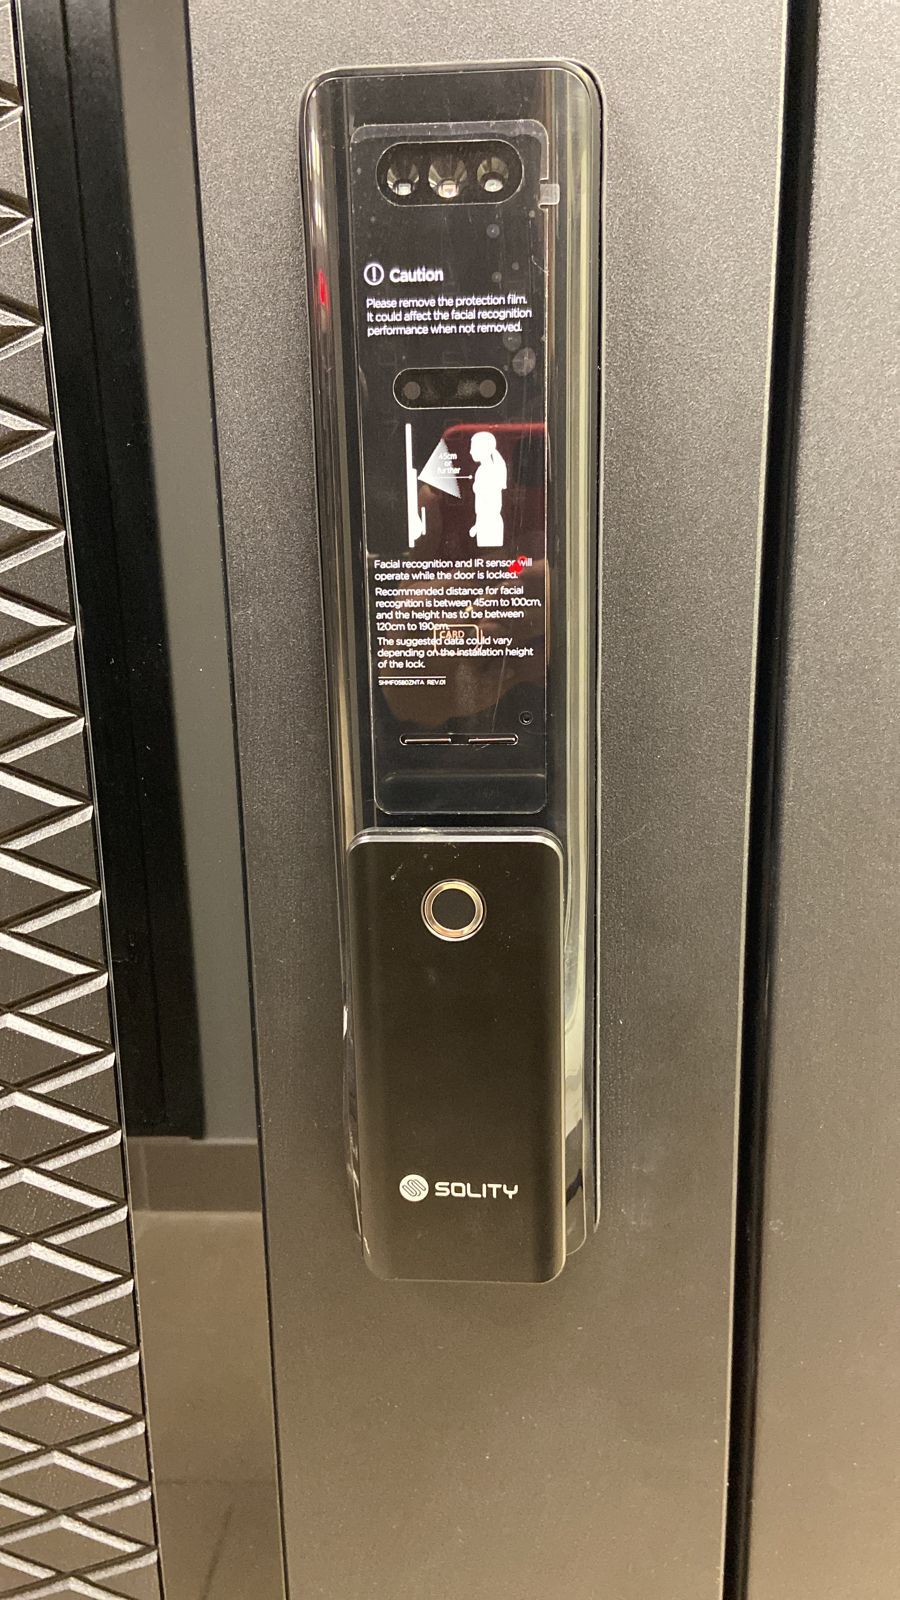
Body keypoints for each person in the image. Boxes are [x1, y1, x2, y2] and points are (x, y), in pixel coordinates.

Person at [469, 431, 506, 547]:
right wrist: (478, 524)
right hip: (484, 523)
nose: (470, 451)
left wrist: (479, 524)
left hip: (489, 524)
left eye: (473, 447)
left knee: (492, 555)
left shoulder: (489, 471)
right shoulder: (481, 470)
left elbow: (492, 503)